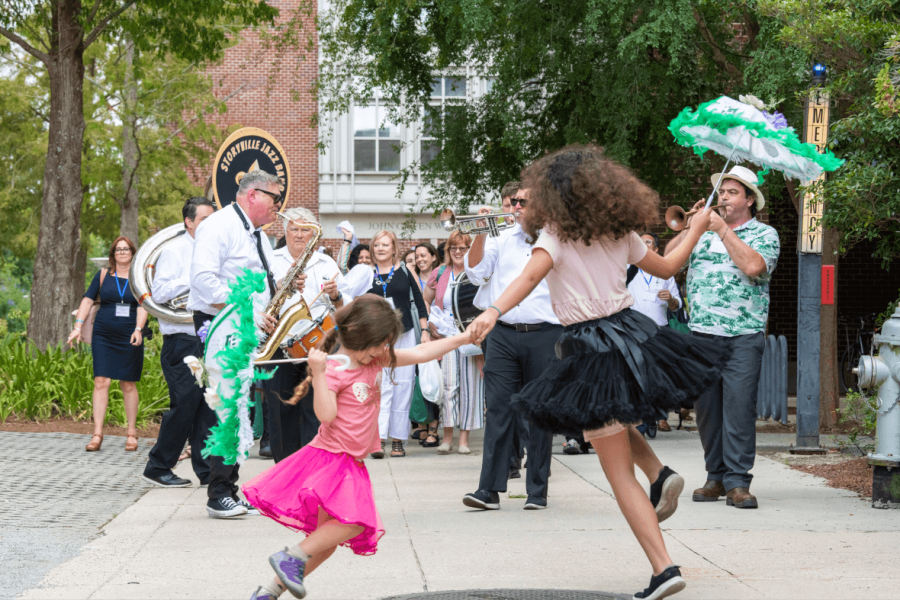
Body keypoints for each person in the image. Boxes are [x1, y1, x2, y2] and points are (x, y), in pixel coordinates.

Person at [466, 145, 729, 600]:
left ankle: (664, 567)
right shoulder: (619, 231)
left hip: (591, 347)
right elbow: (667, 266)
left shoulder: (554, 235)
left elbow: (529, 279)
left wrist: (491, 310)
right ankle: (660, 473)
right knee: (612, 420)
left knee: (615, 471)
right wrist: (699, 228)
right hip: (633, 335)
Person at [243, 296, 474, 600]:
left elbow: (420, 351)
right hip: (330, 460)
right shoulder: (336, 371)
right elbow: (325, 416)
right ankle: (291, 556)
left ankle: (268, 592)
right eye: (379, 343)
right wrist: (321, 374)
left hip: (350, 462)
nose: (383, 350)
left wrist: (464, 337)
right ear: (358, 335)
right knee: (355, 522)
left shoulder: (376, 359)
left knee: (323, 548)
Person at [188, 169, 306, 519]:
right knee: (225, 408)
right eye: (275, 198)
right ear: (253, 195)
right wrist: (247, 311)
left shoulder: (255, 234)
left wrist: (284, 284)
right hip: (222, 325)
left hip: (243, 325)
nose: (278, 207)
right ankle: (218, 493)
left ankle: (229, 489)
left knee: (239, 407)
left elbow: (253, 284)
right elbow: (204, 281)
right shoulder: (219, 226)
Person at [664, 165, 780, 510]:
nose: (724, 198)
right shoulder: (702, 231)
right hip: (702, 334)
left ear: (748, 200)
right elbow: (668, 259)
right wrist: (691, 226)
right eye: (722, 192)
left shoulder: (764, 234)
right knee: (707, 411)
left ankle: (738, 482)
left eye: (732, 193)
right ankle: (715, 476)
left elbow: (754, 267)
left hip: (743, 335)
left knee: (739, 408)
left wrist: (721, 230)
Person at [461, 183, 558, 510]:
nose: (516, 206)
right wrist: (479, 234)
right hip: (502, 333)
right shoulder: (500, 237)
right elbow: (475, 274)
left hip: (546, 332)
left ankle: (537, 491)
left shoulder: (555, 239)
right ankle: (488, 489)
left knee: (539, 412)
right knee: (498, 408)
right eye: (514, 201)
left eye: (523, 202)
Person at [265, 207, 351, 463]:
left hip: (319, 349)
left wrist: (336, 295)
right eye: (294, 228)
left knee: (318, 413)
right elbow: (255, 301)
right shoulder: (270, 260)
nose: (299, 234)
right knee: (280, 412)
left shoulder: (326, 263)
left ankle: (314, 468)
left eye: (305, 229)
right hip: (278, 348)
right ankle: (284, 470)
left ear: (314, 234)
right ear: (285, 231)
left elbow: (346, 309)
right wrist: (280, 285)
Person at [142, 197, 217, 487]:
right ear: (188, 221)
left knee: (206, 407)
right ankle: (158, 465)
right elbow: (159, 292)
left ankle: (206, 470)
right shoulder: (174, 251)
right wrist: (195, 279)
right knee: (185, 404)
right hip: (181, 340)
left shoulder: (213, 251)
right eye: (204, 220)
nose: (210, 226)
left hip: (206, 338)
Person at [69, 236, 149, 453]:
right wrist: (77, 326)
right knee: (101, 381)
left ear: (133, 252)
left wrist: (139, 329)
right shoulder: (104, 275)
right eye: (118, 249)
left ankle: (131, 434)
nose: (122, 252)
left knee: (128, 383)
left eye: (126, 249)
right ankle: (97, 434)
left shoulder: (139, 277)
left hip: (130, 333)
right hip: (103, 333)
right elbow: (87, 300)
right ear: (113, 254)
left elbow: (144, 304)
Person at [364, 230, 430, 458]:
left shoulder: (404, 270)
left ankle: (398, 440)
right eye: (376, 245)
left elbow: (420, 302)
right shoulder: (366, 274)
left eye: (385, 245)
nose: (380, 248)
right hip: (376, 338)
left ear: (394, 249)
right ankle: (379, 438)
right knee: (381, 388)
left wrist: (425, 331)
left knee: (403, 385)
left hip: (406, 334)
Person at [426, 231, 485, 454]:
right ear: (448, 251)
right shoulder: (440, 273)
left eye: (463, 248)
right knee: (449, 387)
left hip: (470, 335)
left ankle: (464, 440)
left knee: (470, 387)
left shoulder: (477, 274)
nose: (458, 252)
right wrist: (430, 321)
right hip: (447, 335)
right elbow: (426, 299)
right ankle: (447, 437)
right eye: (454, 248)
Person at [627, 232, 683, 433]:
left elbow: (677, 306)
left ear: (656, 249)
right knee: (637, 375)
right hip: (634, 331)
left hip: (660, 330)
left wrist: (670, 300)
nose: (643, 245)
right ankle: (641, 418)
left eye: (648, 242)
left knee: (659, 376)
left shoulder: (664, 272)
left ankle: (661, 417)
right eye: (639, 242)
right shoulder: (627, 269)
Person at [410, 242, 440, 444]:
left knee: (434, 377)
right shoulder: (411, 278)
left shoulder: (439, 276)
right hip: (415, 330)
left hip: (436, 330)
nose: (420, 259)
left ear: (433, 257)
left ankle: (434, 429)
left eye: (424, 256)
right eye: (417, 256)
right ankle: (421, 424)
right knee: (418, 378)